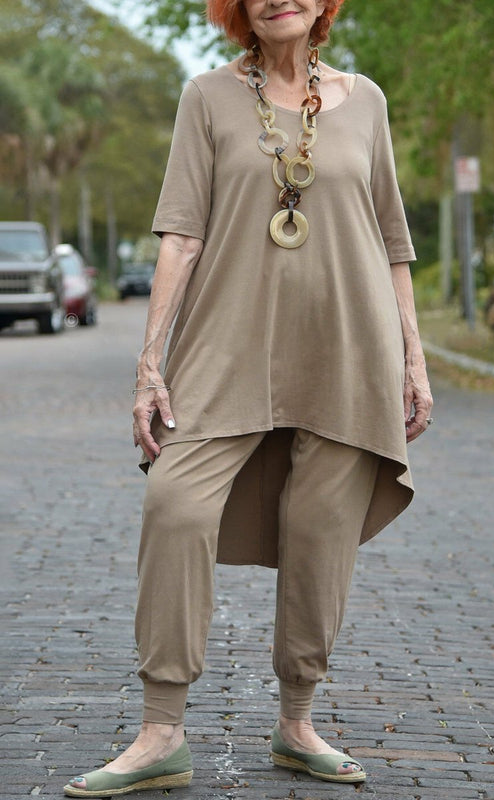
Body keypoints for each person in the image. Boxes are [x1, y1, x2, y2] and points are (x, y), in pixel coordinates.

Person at [64, 0, 433, 795]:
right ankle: (161, 731)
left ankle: (298, 722)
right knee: (175, 503)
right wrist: (149, 363)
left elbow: (392, 242)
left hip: (349, 348)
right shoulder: (206, 96)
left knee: (321, 530)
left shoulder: (366, 100)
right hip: (224, 346)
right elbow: (181, 233)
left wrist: (413, 356)